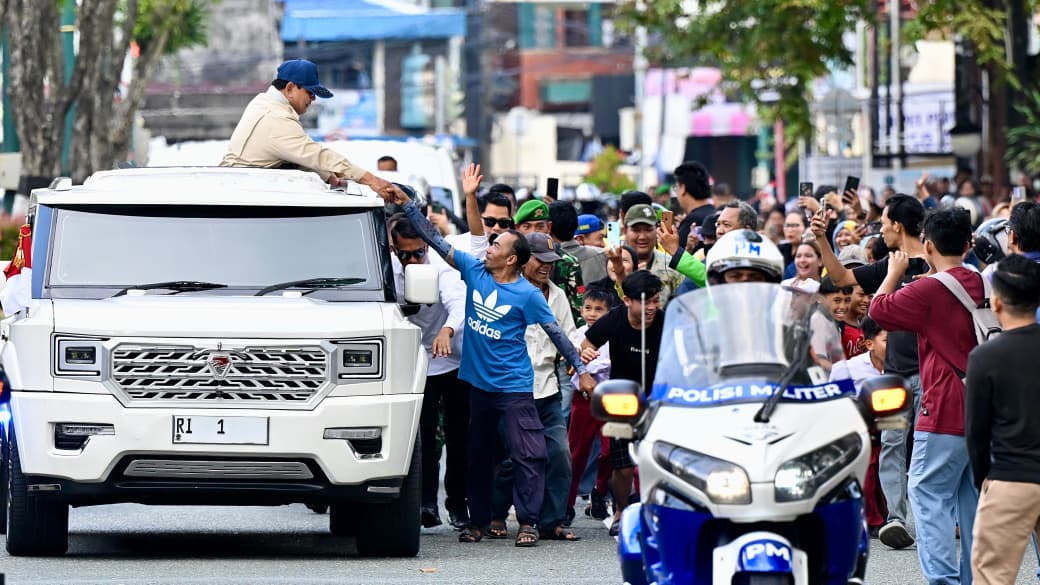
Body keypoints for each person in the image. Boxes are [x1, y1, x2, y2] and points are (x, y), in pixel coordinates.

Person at [380, 180, 593, 548]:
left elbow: (556, 332)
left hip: (514, 388)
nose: (488, 245)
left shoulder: (527, 294)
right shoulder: (475, 272)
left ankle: (527, 522)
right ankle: (477, 522)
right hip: (478, 386)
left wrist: (582, 368)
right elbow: (436, 241)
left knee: (529, 454)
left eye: (496, 244)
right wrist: (411, 206)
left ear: (511, 258)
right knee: (476, 457)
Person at [870, 208, 983, 585]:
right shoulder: (985, 282)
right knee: (970, 499)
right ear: (969, 245)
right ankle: (974, 578)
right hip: (984, 403)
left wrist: (892, 274)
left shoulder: (928, 288)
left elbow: (878, 311)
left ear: (928, 246)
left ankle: (943, 580)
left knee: (927, 491)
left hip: (945, 404)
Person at [813, 194, 927, 551]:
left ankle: (943, 516)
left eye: (884, 222)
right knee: (893, 445)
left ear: (899, 225)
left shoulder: (933, 263)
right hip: (892, 377)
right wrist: (821, 239)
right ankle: (896, 517)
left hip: (930, 372)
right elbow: (841, 275)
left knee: (929, 446)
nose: (880, 227)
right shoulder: (889, 264)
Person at [488, 232, 580, 543]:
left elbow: (568, 336)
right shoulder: (508, 292)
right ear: (525, 260)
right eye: (541, 260)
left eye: (551, 262)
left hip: (548, 389)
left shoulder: (558, 296)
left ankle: (550, 521)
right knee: (514, 458)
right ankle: (496, 514)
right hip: (513, 389)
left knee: (559, 454)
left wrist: (579, 359)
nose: (546, 267)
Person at [388, 215, 469, 529]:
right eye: (403, 254)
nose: (411, 260)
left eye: (417, 253)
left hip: (451, 358)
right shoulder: (388, 267)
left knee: (458, 435)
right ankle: (425, 504)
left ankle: (458, 504)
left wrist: (447, 331)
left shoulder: (440, 262)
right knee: (421, 437)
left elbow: (459, 304)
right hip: (414, 361)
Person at [966, 255, 1040, 585]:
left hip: (1012, 477)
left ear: (996, 302)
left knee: (992, 574)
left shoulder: (985, 357)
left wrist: (984, 479)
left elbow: (976, 434)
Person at [221, 59, 394, 195]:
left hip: (239, 185)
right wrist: (371, 180)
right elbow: (317, 155)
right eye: (310, 93)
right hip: (240, 192)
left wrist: (329, 177)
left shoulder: (263, 103)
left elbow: (295, 156)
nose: (313, 99)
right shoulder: (276, 118)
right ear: (290, 88)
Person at [578, 270, 665, 537]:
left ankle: (659, 512)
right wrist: (585, 359)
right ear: (627, 301)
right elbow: (585, 345)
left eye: (655, 301)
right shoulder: (613, 320)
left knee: (657, 462)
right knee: (623, 465)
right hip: (622, 401)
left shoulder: (667, 320)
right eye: (644, 301)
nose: (651, 307)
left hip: (660, 399)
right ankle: (621, 511)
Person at [830, 317, 890, 537]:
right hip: (860, 429)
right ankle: (870, 519)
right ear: (869, 344)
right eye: (886, 340)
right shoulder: (848, 368)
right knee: (868, 468)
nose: (892, 346)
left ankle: (888, 515)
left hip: (892, 427)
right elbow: (835, 399)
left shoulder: (901, 367)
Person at [565, 289, 614, 523]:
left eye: (599, 309)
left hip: (609, 401)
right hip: (583, 401)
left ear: (609, 313)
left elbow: (610, 364)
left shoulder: (614, 336)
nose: (592, 314)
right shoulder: (578, 335)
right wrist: (586, 362)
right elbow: (573, 361)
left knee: (610, 451)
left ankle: (601, 491)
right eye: (588, 308)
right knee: (576, 453)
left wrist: (592, 364)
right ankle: (565, 504)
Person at [620, 203, 685, 306]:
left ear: (657, 230)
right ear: (624, 231)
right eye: (636, 230)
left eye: (648, 229)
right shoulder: (613, 266)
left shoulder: (672, 267)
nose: (642, 236)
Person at [673, 161, 715, 249]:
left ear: (683, 188)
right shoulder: (716, 214)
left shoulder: (692, 221)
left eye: (676, 187)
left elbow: (676, 257)